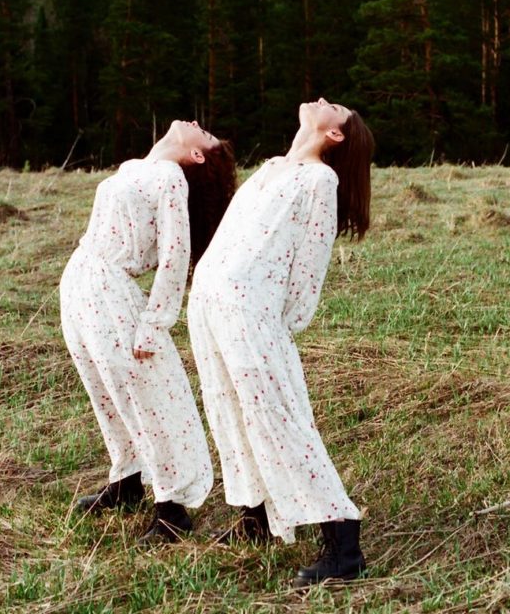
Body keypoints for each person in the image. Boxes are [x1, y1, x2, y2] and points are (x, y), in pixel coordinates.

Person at [188, 98, 374, 586]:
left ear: (335, 135)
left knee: (277, 415)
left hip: (250, 309)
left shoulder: (319, 180)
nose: (321, 101)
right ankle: (258, 517)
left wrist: (272, 316)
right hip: (212, 301)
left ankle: (342, 539)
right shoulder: (274, 167)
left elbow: (309, 267)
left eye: (334, 106)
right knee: (229, 408)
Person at [60, 120, 236, 545]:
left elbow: (177, 254)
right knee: (103, 387)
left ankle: (171, 509)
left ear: (196, 156)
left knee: (143, 394)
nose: (198, 125)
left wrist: (155, 322)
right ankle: (127, 479)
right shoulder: (136, 166)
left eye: (207, 136)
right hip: (81, 277)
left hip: (110, 287)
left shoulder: (171, 176)